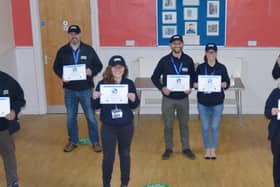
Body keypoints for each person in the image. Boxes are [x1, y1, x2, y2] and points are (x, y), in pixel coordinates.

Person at [53, 25, 103, 152]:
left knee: (91, 116)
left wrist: (92, 71)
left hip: (86, 89)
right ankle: (73, 141)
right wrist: (62, 75)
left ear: (80, 35)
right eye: (71, 34)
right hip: (69, 90)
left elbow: (99, 65)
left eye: (76, 34)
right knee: (71, 117)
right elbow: (56, 67)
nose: (74, 36)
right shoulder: (62, 51)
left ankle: (95, 142)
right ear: (68, 35)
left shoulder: (88, 50)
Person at [92, 55, 140, 187]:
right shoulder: (102, 84)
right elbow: (95, 106)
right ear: (110, 68)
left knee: (125, 154)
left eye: (121, 67)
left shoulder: (129, 83)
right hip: (108, 126)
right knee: (108, 157)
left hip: (126, 125)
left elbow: (134, 105)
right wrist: (94, 97)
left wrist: (133, 99)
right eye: (115, 67)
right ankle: (106, 184)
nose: (118, 69)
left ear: (124, 69)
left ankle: (124, 183)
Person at [151, 35, 196, 160]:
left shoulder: (188, 60)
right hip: (168, 99)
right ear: (171, 45)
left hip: (183, 98)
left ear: (182, 44)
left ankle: (186, 148)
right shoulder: (164, 60)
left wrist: (190, 87)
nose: (177, 46)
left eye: (179, 43)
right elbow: (154, 77)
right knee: (168, 125)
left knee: (184, 124)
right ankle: (168, 148)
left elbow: (193, 77)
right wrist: (162, 88)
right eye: (174, 44)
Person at [194, 43, 230, 159]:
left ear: (216, 53)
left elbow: (227, 83)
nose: (211, 54)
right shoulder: (200, 68)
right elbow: (194, 83)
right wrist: (197, 84)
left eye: (213, 52)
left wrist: (224, 84)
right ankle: (207, 149)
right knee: (205, 127)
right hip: (203, 103)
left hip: (217, 103)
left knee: (214, 127)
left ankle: (213, 150)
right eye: (209, 52)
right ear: (205, 53)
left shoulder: (222, 67)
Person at [0, 70, 26, 187]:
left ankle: (12, 183)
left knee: (8, 154)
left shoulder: (7, 81)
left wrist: (14, 111)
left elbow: (20, 99)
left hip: (3, 127)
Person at [264, 86, 280, 187]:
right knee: (278, 162)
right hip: (277, 133)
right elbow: (267, 112)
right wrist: (272, 111)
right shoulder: (275, 93)